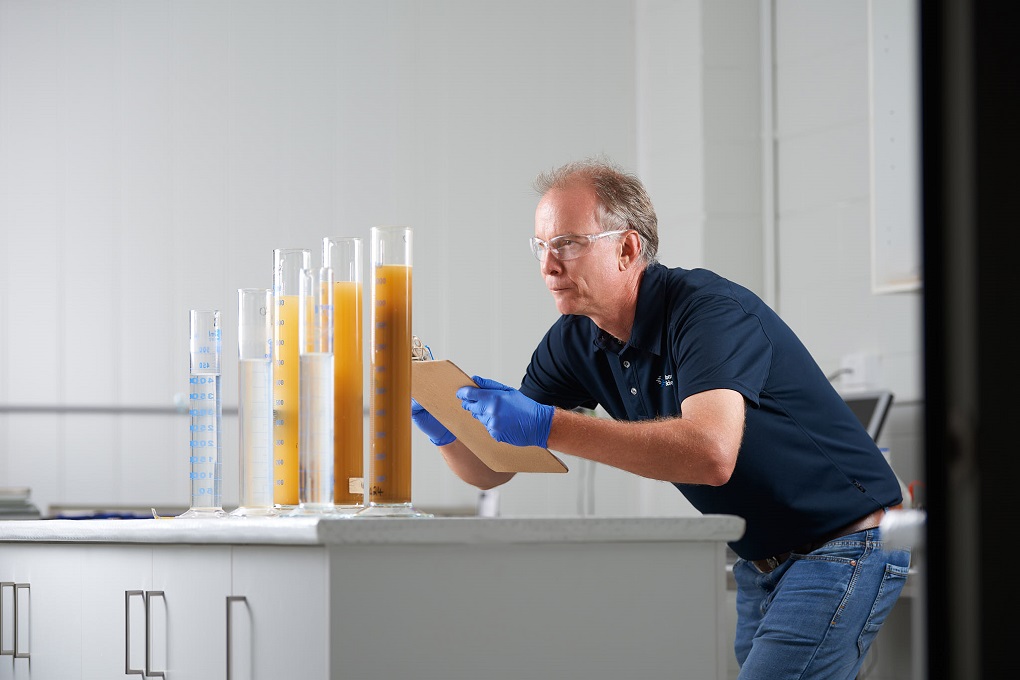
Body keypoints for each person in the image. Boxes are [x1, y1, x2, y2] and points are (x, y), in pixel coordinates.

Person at [411, 157, 910, 679]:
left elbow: (710, 454)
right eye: (540, 246)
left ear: (627, 248)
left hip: (843, 543)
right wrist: (447, 429)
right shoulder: (575, 338)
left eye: (567, 243)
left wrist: (546, 424)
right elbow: (498, 466)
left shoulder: (707, 312)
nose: (548, 265)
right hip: (762, 562)